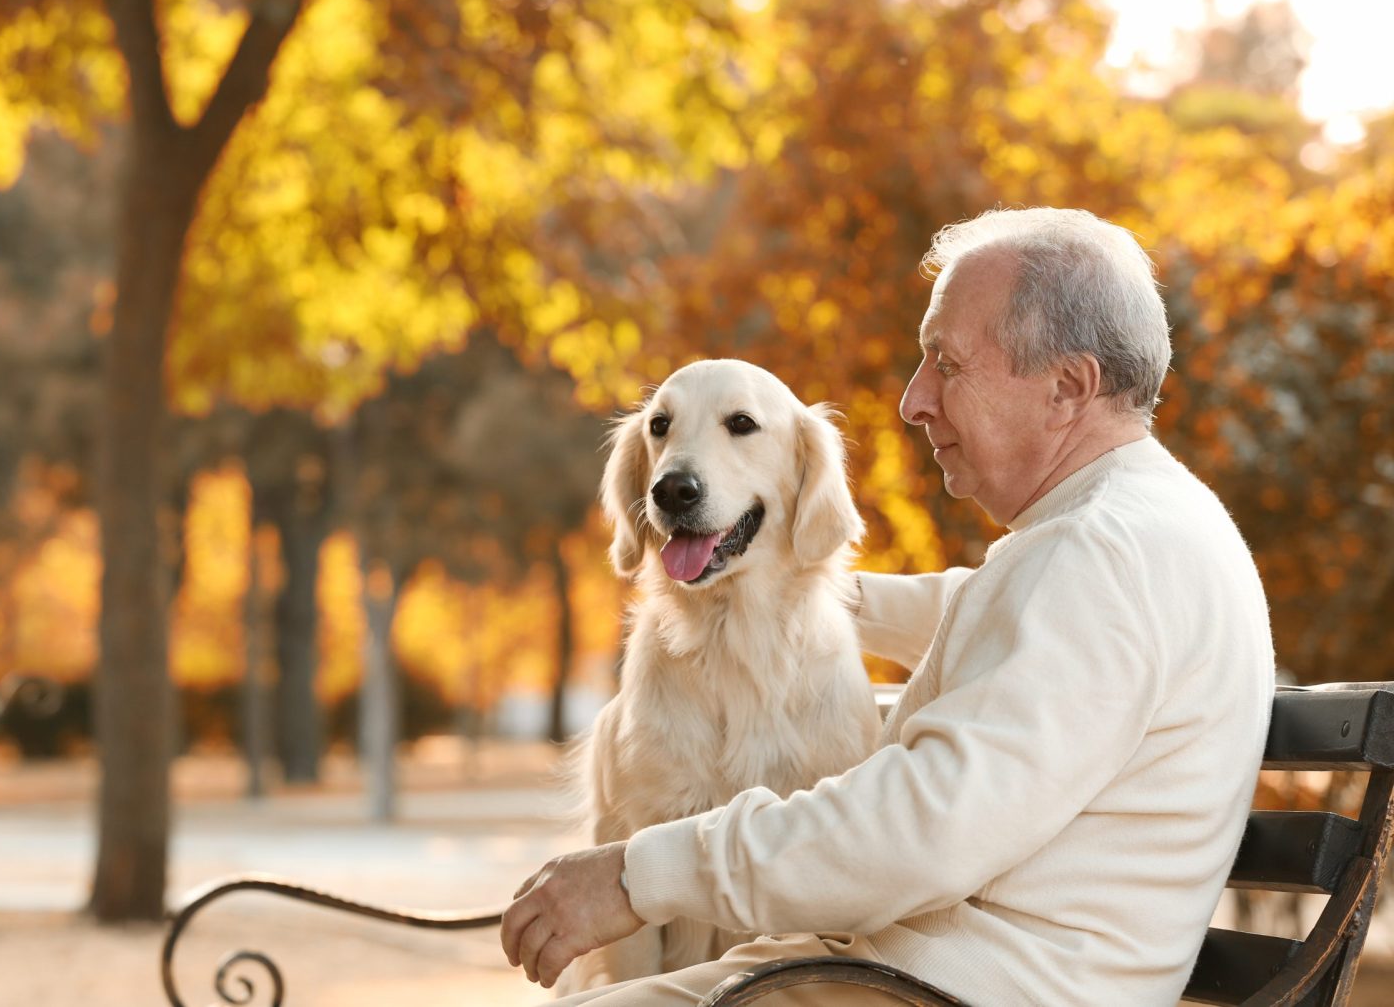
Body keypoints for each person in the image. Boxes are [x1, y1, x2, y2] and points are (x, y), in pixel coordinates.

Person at [500, 207, 1276, 1005]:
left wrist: (639, 875)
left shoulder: (1103, 555)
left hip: (941, 988)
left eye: (946, 362)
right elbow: (980, 611)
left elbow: (920, 829)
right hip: (906, 970)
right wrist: (789, 585)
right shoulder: (1126, 526)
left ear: (1067, 387)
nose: (913, 400)